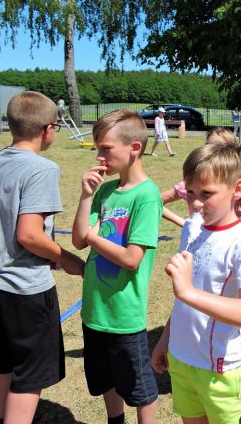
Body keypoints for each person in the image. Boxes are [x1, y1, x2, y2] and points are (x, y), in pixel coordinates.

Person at [0, 91, 85, 424]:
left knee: (8, 361)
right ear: (48, 129)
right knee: (31, 374)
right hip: (23, 288)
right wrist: (67, 259)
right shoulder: (41, 169)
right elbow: (29, 235)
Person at [150, 141, 241, 423]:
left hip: (222, 370)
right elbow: (184, 300)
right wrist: (166, 340)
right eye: (190, 192)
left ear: (237, 189)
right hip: (182, 360)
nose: (195, 203)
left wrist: (188, 292)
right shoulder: (192, 229)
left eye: (206, 194)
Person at [72, 109, 163, 424]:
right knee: (105, 378)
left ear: (134, 148)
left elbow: (131, 259)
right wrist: (86, 196)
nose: (99, 157)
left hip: (124, 316)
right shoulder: (106, 191)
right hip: (95, 310)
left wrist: (93, 237)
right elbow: (78, 241)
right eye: (97, 149)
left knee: (139, 388)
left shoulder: (147, 196)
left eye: (106, 149)